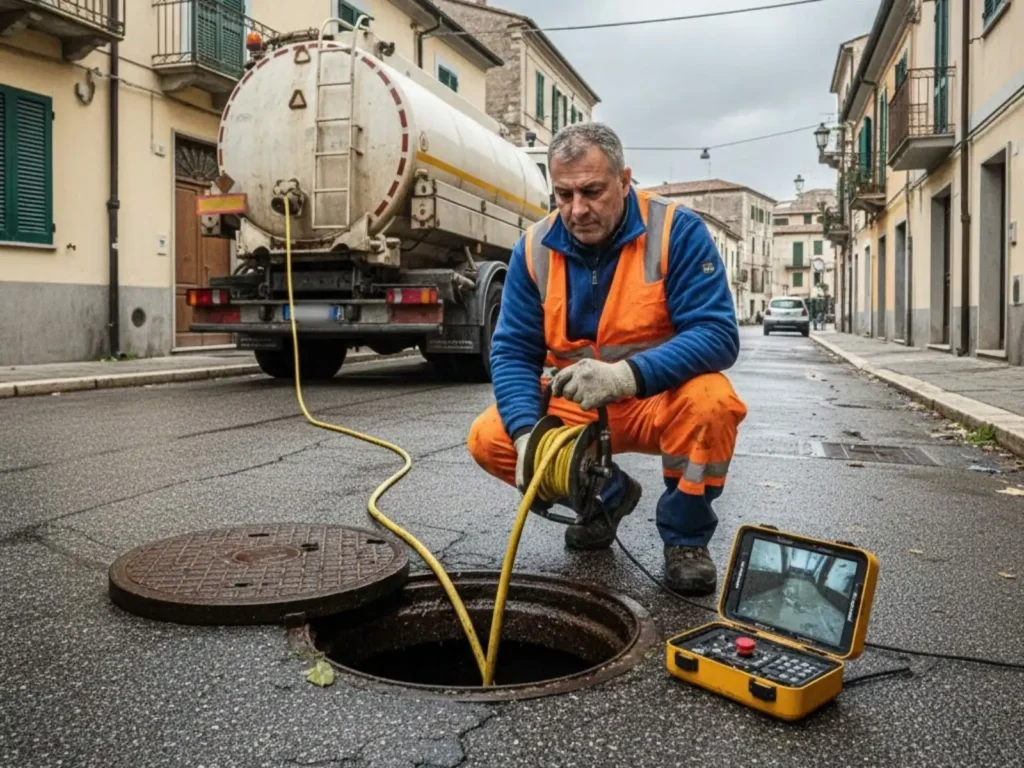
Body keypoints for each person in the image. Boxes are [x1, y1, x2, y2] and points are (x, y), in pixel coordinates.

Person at [467, 123, 747, 596]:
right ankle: (604, 502)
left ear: (624, 180)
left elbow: (717, 334)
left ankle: (685, 540)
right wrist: (523, 436)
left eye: (593, 191)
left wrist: (626, 376)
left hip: (654, 401)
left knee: (712, 402)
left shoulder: (677, 232)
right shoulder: (533, 248)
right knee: (489, 437)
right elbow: (514, 349)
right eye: (564, 194)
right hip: (578, 409)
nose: (578, 210)